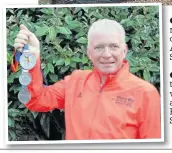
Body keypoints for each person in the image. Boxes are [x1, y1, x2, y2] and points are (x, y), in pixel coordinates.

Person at [14, 19, 161, 140]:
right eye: (99, 47)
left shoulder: (145, 93)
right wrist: (31, 57)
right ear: (89, 52)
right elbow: (36, 100)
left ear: (125, 50)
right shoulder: (75, 81)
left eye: (114, 46)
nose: (107, 54)